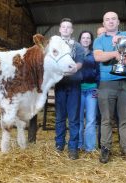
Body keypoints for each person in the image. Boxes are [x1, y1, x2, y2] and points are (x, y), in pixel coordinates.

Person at [93, 11, 126, 164]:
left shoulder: (125, 34)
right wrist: (114, 54)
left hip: (125, 83)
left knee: (125, 119)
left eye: (113, 19)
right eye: (107, 19)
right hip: (106, 84)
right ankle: (105, 148)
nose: (111, 21)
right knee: (106, 119)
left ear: (118, 22)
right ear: (103, 23)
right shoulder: (99, 40)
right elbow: (98, 56)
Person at [55, 18, 84, 160]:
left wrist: (75, 68)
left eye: (68, 27)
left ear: (72, 31)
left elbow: (80, 62)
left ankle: (73, 148)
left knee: (73, 118)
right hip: (60, 85)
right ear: (60, 29)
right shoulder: (55, 46)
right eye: (63, 27)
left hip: (74, 85)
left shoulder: (77, 46)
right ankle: (59, 145)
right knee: (60, 117)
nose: (66, 29)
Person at [77, 30, 99, 152]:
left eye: (88, 38)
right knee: (78, 119)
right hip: (78, 90)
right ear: (80, 39)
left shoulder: (95, 55)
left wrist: (99, 87)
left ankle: (90, 147)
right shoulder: (75, 54)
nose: (85, 40)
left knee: (91, 119)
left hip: (92, 90)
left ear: (91, 41)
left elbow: (99, 72)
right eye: (83, 37)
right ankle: (79, 145)